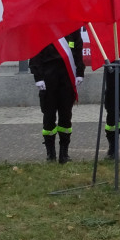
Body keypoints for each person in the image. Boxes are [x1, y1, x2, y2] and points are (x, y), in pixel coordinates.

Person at [30, 30, 84, 163]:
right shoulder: (43, 28)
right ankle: (51, 153)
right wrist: (38, 77)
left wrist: (80, 72)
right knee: (49, 116)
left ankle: (64, 153)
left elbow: (78, 50)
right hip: (48, 77)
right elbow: (35, 52)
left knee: (66, 115)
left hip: (67, 77)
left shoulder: (72, 28)